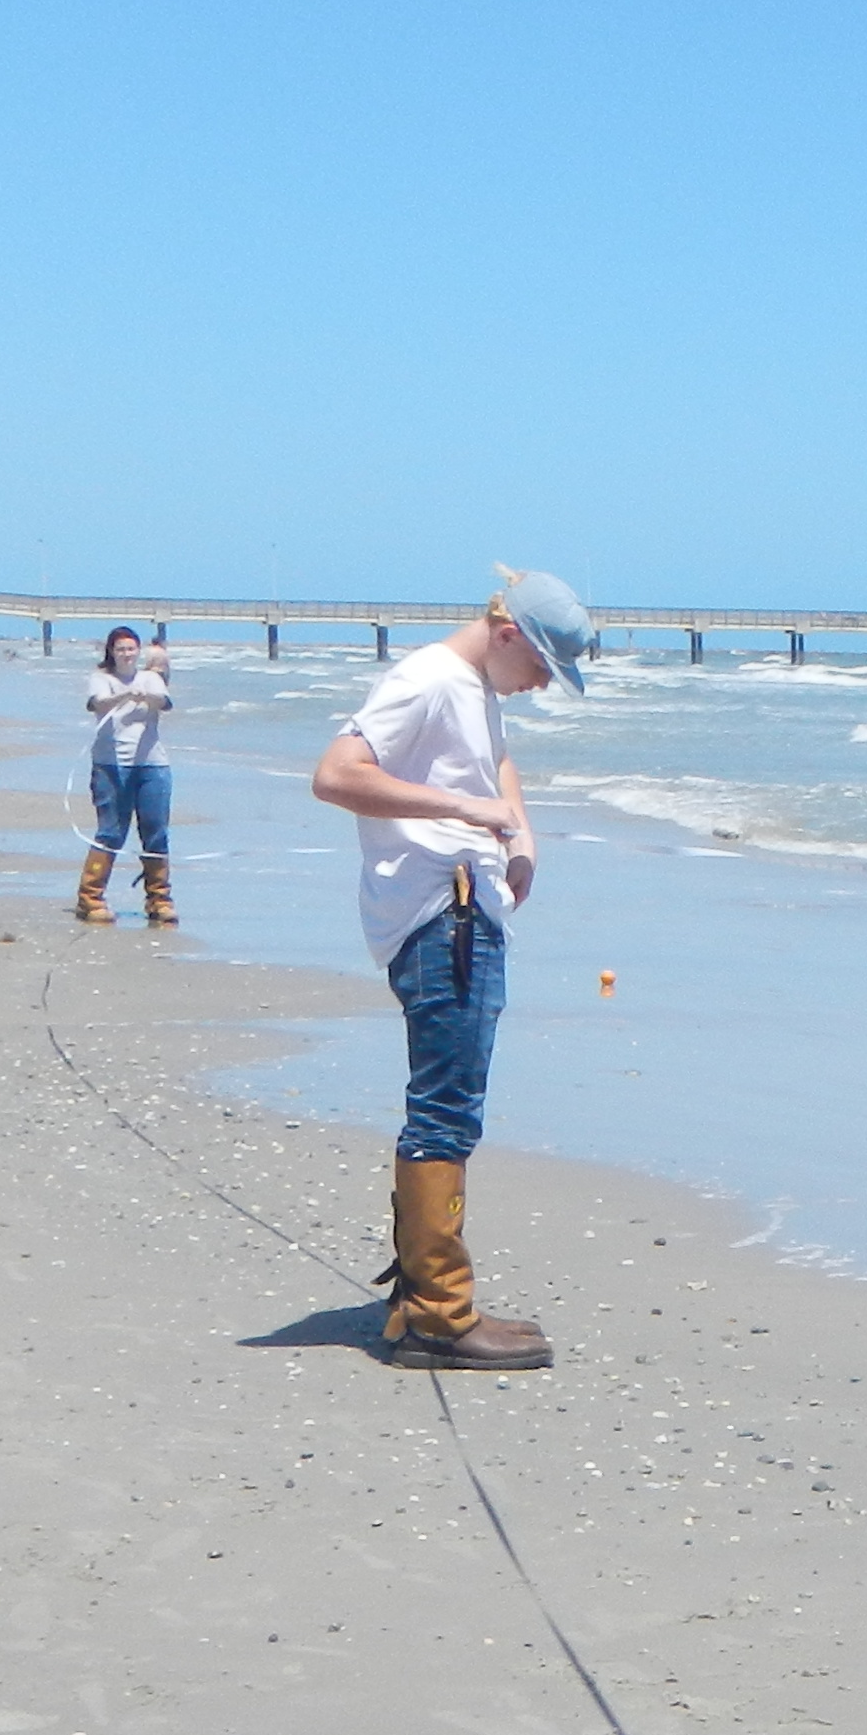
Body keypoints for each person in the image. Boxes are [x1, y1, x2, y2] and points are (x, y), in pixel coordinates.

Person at [307, 568, 598, 1370]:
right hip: (442, 915)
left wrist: (522, 837)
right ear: (507, 634)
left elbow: (494, 766)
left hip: (468, 904)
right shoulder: (430, 678)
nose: (541, 685)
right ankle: (438, 1311)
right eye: (541, 666)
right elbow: (337, 776)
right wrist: (468, 815)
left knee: (451, 1103)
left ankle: (422, 1297)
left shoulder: (475, 689)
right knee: (447, 1108)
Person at [77, 623, 174, 926]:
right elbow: (97, 703)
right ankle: (90, 897)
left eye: (131, 648)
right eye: (121, 649)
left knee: (155, 831)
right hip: (111, 764)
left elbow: (164, 702)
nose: (126, 654)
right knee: (111, 831)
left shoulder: (150, 677)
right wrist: (124, 696)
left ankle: (159, 898)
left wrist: (147, 696)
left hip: (152, 765)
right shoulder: (101, 679)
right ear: (112, 652)